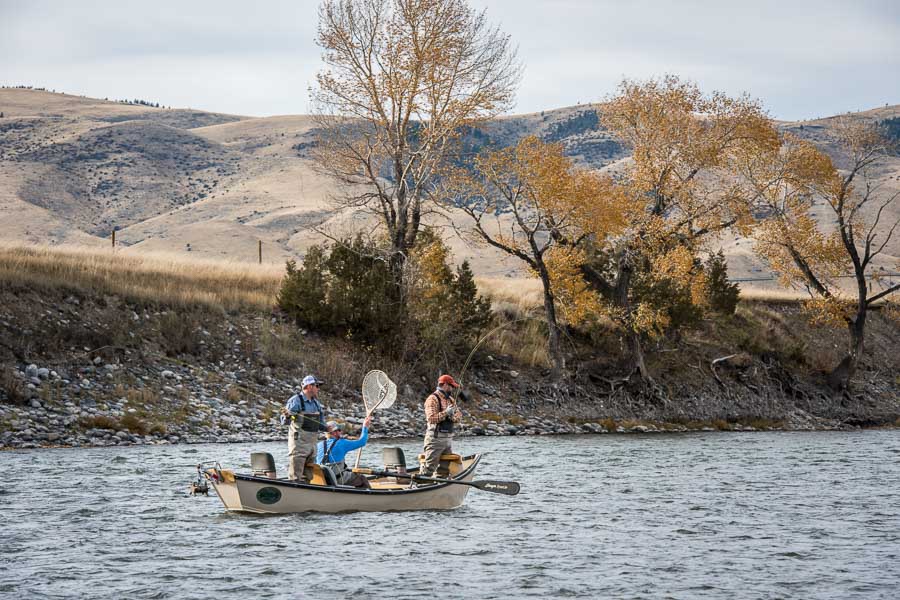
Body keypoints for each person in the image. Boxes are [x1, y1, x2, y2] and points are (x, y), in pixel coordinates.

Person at [281, 374, 326, 483]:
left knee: (308, 477)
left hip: (312, 447)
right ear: (309, 386)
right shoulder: (296, 401)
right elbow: (285, 421)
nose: (318, 389)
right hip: (299, 446)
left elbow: (321, 425)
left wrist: (329, 428)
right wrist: (288, 416)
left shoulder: (317, 404)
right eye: (317, 386)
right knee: (295, 477)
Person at [421, 374, 463, 478]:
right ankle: (420, 485)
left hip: (448, 439)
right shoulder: (432, 399)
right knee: (429, 468)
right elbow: (431, 418)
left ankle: (439, 486)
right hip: (435, 439)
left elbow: (459, 417)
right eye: (451, 386)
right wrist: (446, 413)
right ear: (444, 385)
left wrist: (452, 415)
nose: (452, 389)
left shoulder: (451, 400)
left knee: (444, 468)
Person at [316, 416, 373, 488]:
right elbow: (362, 442)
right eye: (339, 430)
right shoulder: (342, 443)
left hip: (321, 479)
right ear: (334, 433)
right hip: (337, 479)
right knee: (361, 478)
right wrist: (365, 427)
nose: (341, 432)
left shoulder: (318, 445)